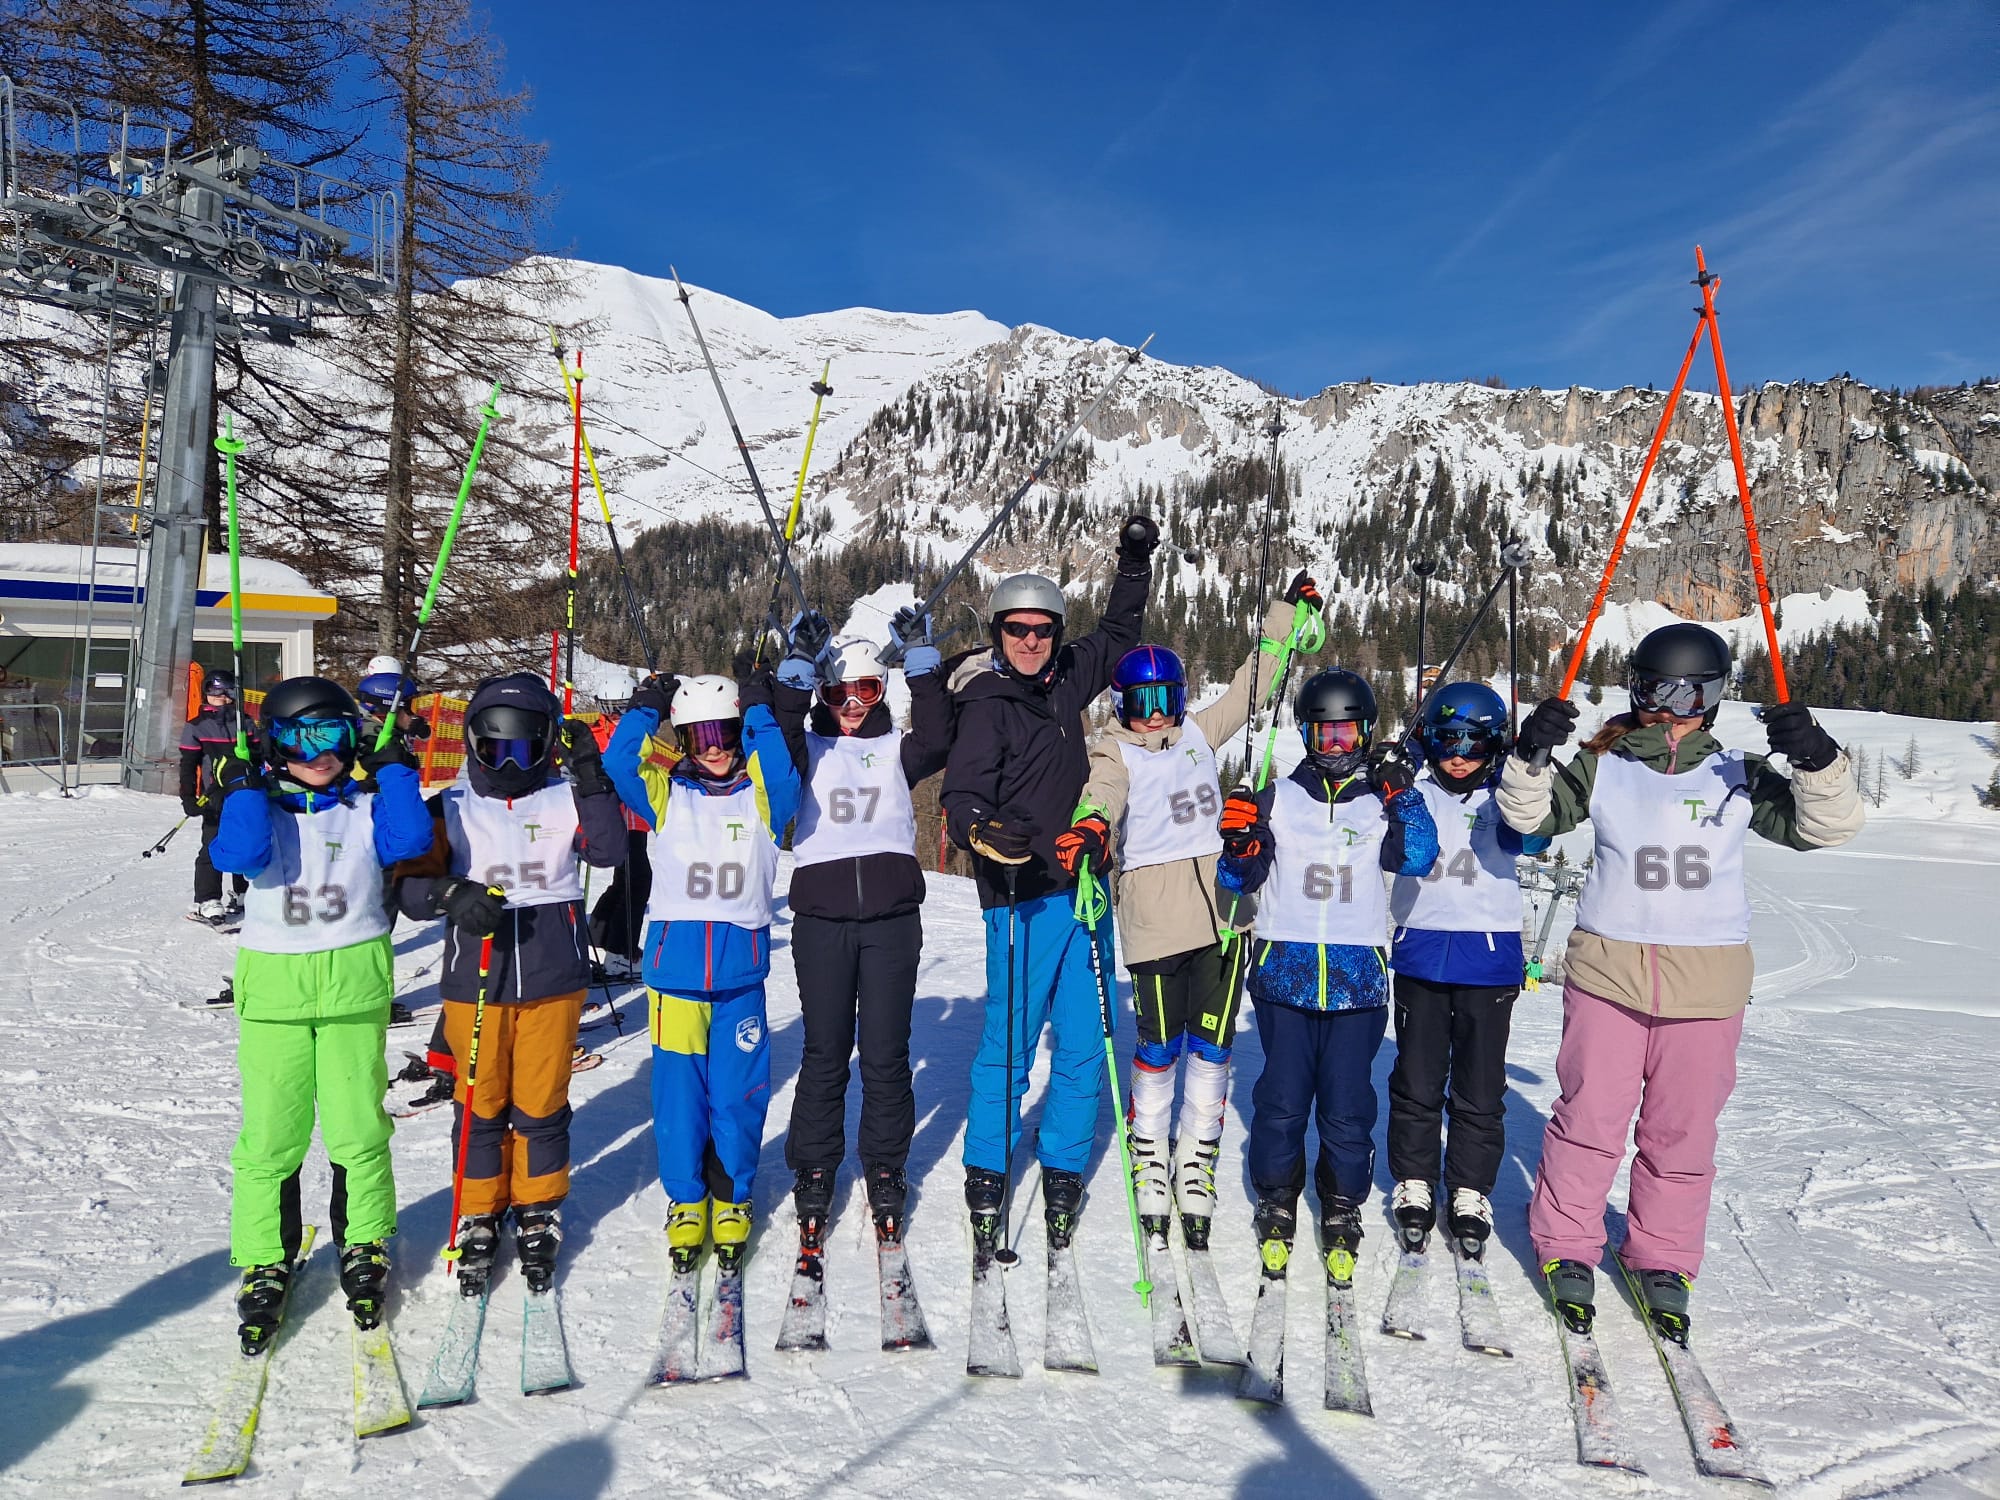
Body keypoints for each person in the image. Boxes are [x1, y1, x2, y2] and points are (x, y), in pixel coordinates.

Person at [1498, 623, 1863, 1340]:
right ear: (1636, 689)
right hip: (1608, 975)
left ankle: (1662, 1255)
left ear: (1716, 698)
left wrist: (1816, 759)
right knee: (1589, 1121)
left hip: (1707, 986)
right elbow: (1529, 818)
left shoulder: (1737, 772)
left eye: (1692, 695)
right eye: (1656, 690)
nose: (1671, 709)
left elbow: (1828, 828)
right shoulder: (1603, 766)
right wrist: (1530, 755)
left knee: (1682, 1133)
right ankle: (1567, 1241)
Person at [1052, 573, 1323, 1249]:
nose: (1155, 714)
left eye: (1165, 699)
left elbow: (1253, 685)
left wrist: (1286, 616)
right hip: (1154, 921)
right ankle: (1150, 1153)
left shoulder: (1199, 732)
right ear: (1121, 704)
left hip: (1226, 914)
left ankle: (1196, 1156)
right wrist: (1089, 827)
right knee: (1157, 1045)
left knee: (1213, 1045)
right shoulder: (1114, 750)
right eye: (1140, 702)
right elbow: (1102, 794)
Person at [941, 513, 1156, 1252]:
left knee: (1086, 1042)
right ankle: (987, 1166)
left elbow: (1119, 635)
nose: (1030, 642)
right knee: (1010, 1043)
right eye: (1017, 630)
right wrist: (980, 831)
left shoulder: (1065, 680)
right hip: (1021, 901)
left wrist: (1133, 564)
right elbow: (961, 795)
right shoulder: (985, 706)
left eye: (1042, 630)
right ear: (998, 633)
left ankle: (1064, 1161)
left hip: (1084, 892)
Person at [206, 676, 433, 1350]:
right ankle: (264, 1258)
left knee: (357, 1128)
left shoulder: (364, 807)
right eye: (299, 739)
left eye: (331, 734)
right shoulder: (263, 810)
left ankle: (363, 1240)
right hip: (276, 993)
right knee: (271, 1136)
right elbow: (239, 856)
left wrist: (395, 770)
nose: (318, 753)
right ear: (273, 744)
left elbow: (410, 840)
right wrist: (244, 785)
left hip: (352, 990)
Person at [394, 673, 626, 1296]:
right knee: (481, 1104)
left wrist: (592, 776)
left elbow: (609, 851)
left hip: (553, 977)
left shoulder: (564, 796)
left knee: (541, 1103)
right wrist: (452, 893)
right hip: (476, 980)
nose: (510, 764)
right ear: (473, 743)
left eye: (525, 750)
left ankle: (538, 1204)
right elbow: (409, 889)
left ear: (546, 745)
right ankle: (479, 1209)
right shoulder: (450, 804)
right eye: (495, 750)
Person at [1215, 668, 1439, 1284]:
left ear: (1365, 733)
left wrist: (1402, 793)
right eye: (1324, 735)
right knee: (1281, 1101)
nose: (1336, 747)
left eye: (1347, 734)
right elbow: (1237, 881)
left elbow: (1420, 856)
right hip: (1283, 980)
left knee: (1347, 1106)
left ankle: (1342, 1201)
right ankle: (1276, 1195)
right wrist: (1237, 844)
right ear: (1306, 735)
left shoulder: (1377, 802)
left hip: (1356, 984)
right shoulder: (1278, 799)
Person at [604, 669, 802, 1272]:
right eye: (699, 737)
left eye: (724, 733)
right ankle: (687, 1200)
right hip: (676, 982)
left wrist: (760, 711)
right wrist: (647, 707)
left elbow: (783, 778)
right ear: (684, 741)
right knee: (679, 1098)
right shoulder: (666, 796)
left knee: (738, 1096)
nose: (713, 748)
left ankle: (732, 1195)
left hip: (740, 979)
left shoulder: (762, 800)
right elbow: (619, 763)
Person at [767, 616, 950, 1262]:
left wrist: (923, 663)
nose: (851, 705)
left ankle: (885, 1164)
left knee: (885, 1052)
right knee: (824, 1051)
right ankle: (815, 1166)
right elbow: (776, 734)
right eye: (838, 693)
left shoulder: (898, 748)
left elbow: (940, 736)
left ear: (882, 692)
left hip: (892, 922)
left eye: (866, 691)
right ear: (823, 694)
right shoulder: (807, 750)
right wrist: (795, 670)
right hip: (822, 922)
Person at [1385, 681, 1548, 1259]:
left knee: (1479, 1085)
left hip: (1488, 959)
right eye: (1447, 741)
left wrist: (1529, 763)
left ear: (1495, 745)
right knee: (1417, 1080)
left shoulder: (1505, 794)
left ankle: (1469, 1188)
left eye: (1474, 743)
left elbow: (1534, 837)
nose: (1459, 755)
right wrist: (1397, 766)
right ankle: (1414, 1178)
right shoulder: (1413, 790)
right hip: (1422, 954)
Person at [179, 669, 251, 924]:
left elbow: (260, 757)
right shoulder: (197, 725)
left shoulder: (244, 723)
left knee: (246, 843)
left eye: (227, 690)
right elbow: (188, 765)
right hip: (214, 796)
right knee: (213, 844)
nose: (221, 696)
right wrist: (188, 797)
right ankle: (208, 899)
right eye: (214, 690)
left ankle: (244, 892)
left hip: (244, 794)